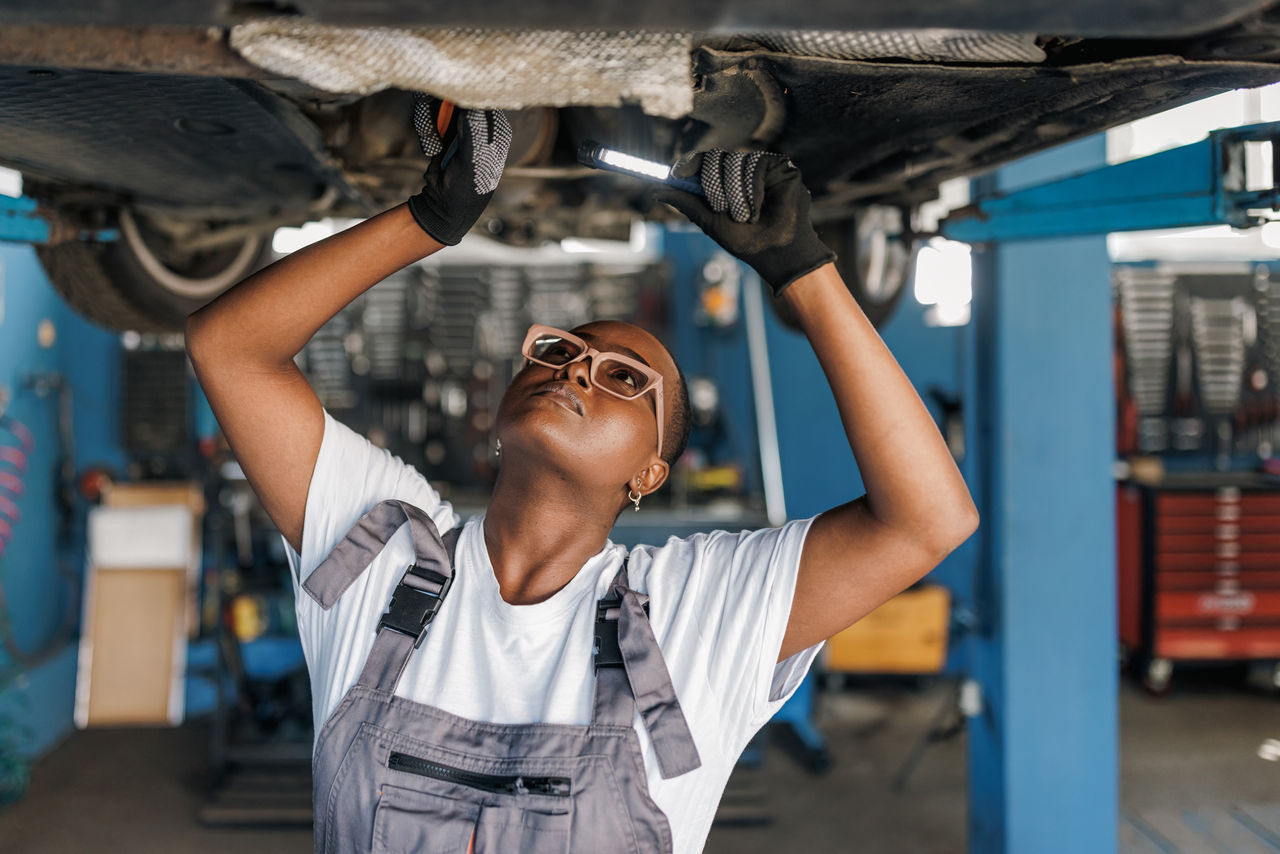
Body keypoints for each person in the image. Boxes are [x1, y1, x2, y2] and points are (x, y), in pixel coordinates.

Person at [186, 103, 978, 854]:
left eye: (626, 379)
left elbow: (927, 519)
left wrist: (805, 273)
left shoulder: (691, 615)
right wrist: (425, 221)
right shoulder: (383, 556)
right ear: (501, 410)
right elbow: (230, 350)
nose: (579, 370)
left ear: (651, 472)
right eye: (560, 352)